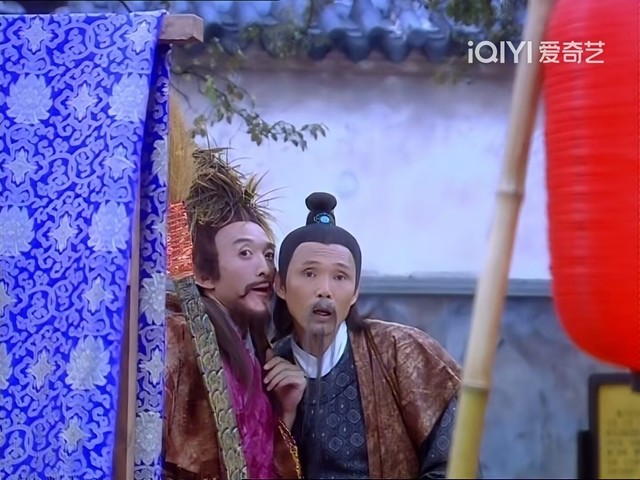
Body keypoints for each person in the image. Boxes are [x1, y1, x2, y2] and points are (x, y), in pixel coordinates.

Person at [271, 192, 463, 479]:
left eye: (339, 277)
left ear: (355, 292)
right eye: (309, 273)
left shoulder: (400, 352)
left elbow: (456, 464)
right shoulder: (267, 368)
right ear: (281, 285)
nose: (325, 290)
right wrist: (283, 420)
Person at [162, 139, 306, 478]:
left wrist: (285, 412)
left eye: (268, 255)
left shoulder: (253, 350)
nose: (265, 268)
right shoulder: (177, 337)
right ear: (203, 273)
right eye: (245, 253)